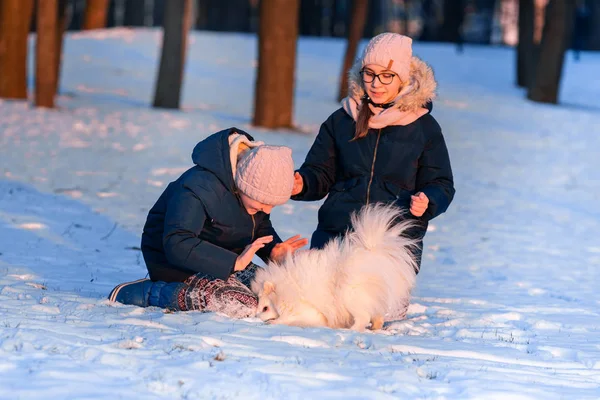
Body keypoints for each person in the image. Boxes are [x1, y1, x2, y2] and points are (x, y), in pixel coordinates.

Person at [291, 33, 455, 284]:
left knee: (368, 312)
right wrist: (302, 182)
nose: (376, 83)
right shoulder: (342, 120)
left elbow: (441, 183)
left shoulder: (424, 127)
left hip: (389, 246)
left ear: (402, 78)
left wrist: (428, 200)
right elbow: (320, 172)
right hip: (337, 238)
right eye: (369, 74)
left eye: (386, 76)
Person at [108, 127, 308, 318]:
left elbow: (259, 227)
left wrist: (273, 252)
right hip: (175, 263)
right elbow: (177, 242)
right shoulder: (198, 187)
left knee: (271, 291)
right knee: (241, 304)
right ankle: (150, 292)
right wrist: (234, 262)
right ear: (245, 185)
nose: (267, 210)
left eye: (272, 205)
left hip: (224, 260)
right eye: (263, 203)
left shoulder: (250, 195)